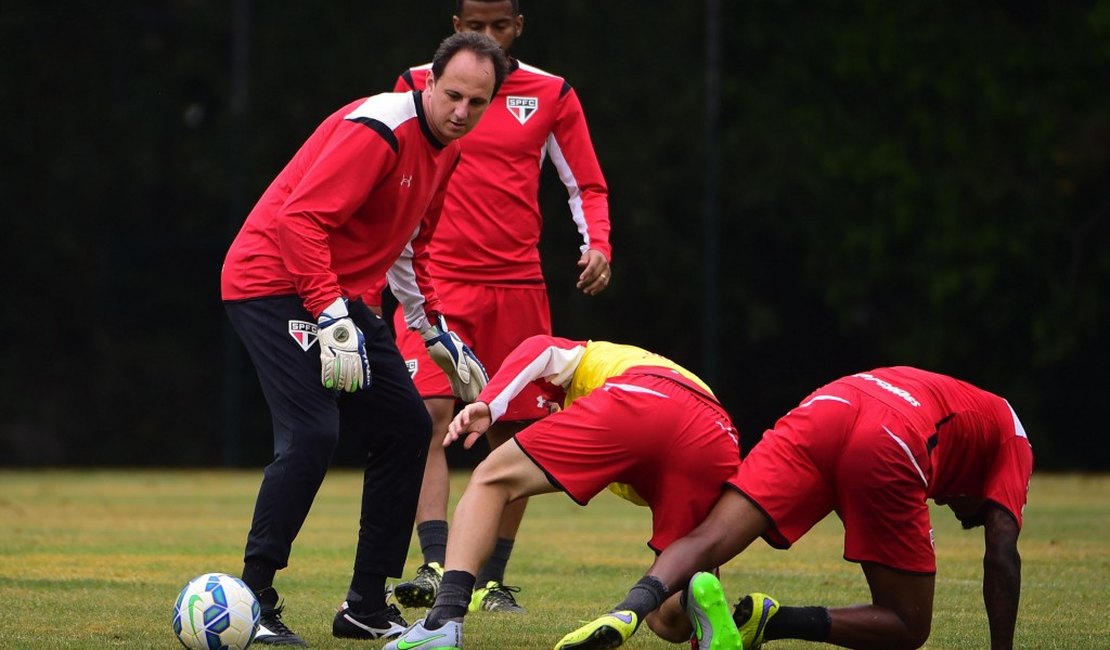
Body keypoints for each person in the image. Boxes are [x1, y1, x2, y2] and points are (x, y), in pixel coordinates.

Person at [219, 32, 509, 646]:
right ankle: (254, 601)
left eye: (477, 102)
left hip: (339, 295)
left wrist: (433, 332)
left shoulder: (448, 151)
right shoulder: (379, 129)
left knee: (407, 427)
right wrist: (329, 312)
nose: (462, 111)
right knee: (313, 432)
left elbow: (410, 245)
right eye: (453, 95)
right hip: (271, 281)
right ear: (428, 83)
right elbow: (299, 221)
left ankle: (365, 606)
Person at [380, 0, 613, 616]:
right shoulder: (418, 86)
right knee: (425, 415)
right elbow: (386, 165)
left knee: (513, 431)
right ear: (454, 29)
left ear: (519, 28)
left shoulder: (552, 93)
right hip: (432, 284)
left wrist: (599, 246)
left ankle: (493, 580)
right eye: (475, 27)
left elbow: (583, 181)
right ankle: (433, 564)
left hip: (516, 287)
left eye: (500, 27)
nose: (489, 38)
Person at [562, 366, 1035, 650]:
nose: (959, 514)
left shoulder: (964, 404)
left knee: (710, 537)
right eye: (968, 511)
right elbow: (1002, 553)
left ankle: (629, 609)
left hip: (831, 402)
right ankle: (770, 619)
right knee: (908, 625)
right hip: (891, 435)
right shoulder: (1013, 440)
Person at [381, 335, 742, 650]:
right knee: (668, 618)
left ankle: (443, 622)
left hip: (641, 396)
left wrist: (491, 403)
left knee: (491, 478)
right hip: (718, 433)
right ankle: (697, 600)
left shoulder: (591, 357)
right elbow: (646, 456)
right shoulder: (655, 369)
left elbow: (540, 346)